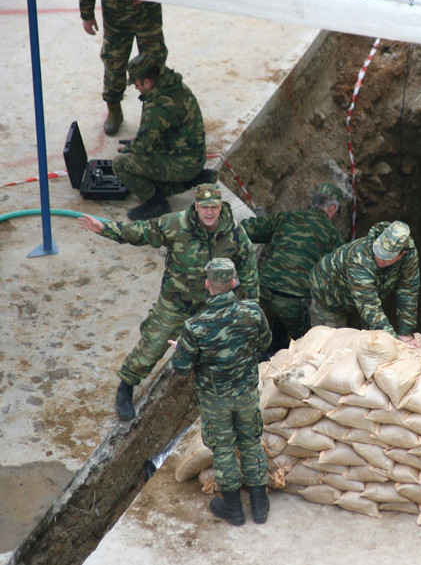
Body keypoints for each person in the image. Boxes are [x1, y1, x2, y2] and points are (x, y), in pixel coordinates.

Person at [77, 183, 259, 421]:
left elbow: (248, 268)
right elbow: (142, 231)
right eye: (204, 207)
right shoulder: (176, 224)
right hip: (175, 302)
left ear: (220, 206)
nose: (209, 212)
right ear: (195, 206)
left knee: (223, 350)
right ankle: (126, 386)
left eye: (213, 206)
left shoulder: (234, 232)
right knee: (152, 345)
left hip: (211, 306)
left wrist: (251, 305)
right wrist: (107, 229)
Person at [169, 258, 271, 526]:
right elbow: (265, 342)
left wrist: (181, 348)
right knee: (250, 442)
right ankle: (260, 507)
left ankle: (234, 510)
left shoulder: (195, 326)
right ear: (234, 282)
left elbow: (181, 368)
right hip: (247, 393)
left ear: (207, 284)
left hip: (215, 400)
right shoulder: (253, 311)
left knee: (224, 449)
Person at [240, 183, 345, 351]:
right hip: (295, 302)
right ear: (333, 207)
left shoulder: (286, 217)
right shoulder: (334, 236)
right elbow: (337, 276)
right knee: (306, 345)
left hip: (263, 291)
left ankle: (267, 349)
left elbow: (246, 229)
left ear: (313, 202)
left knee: (257, 332)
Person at [114, 53, 215, 221]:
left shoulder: (158, 106)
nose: (136, 88)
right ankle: (195, 178)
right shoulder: (173, 87)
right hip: (191, 154)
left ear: (147, 82)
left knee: (122, 164)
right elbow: (160, 130)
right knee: (141, 162)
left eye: (137, 84)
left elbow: (142, 147)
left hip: (184, 162)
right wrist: (138, 141)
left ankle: (156, 203)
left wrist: (130, 148)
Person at [308, 220, 421, 348]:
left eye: (386, 257)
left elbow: (408, 290)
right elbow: (368, 305)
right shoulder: (359, 259)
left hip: (363, 299)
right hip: (329, 295)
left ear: (401, 254)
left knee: (369, 345)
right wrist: (393, 340)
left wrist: (406, 333)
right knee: (330, 346)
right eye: (378, 252)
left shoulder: (409, 255)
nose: (380, 259)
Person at [79, 0, 168, 135]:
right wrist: (87, 13)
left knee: (154, 63)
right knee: (114, 62)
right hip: (115, 11)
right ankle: (113, 108)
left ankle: (155, 113)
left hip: (147, 9)